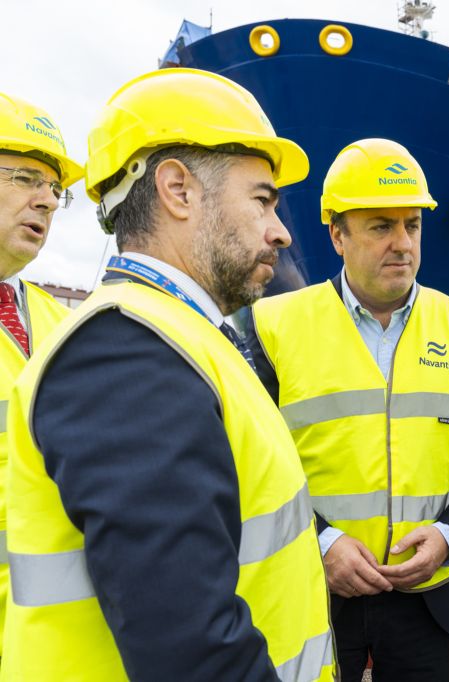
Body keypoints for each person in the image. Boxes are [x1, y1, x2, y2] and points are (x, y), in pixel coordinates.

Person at [2, 68, 335, 681]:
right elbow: (193, 655)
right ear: (178, 190)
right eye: (262, 199)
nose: (281, 231)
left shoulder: (177, 338)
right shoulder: (126, 355)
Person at [249, 138, 449, 681]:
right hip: (313, 590)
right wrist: (321, 542)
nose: (402, 244)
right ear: (337, 235)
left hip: (429, 594)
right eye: (380, 227)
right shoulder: (273, 326)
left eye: (411, 226)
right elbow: (250, 463)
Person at [0, 91, 82, 658]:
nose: (47, 201)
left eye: (56, 190)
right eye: (28, 178)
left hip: (51, 630)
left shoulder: (63, 323)